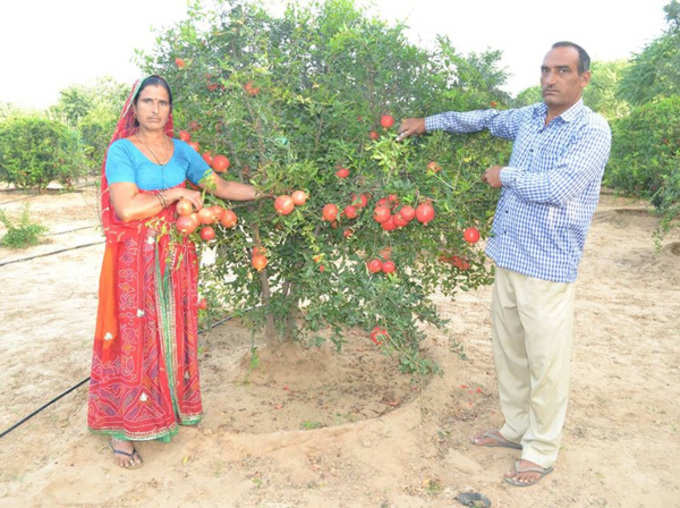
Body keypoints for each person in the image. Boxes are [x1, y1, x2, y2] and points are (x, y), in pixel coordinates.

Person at [399, 42, 611, 486]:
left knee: (546, 360)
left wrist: (505, 175)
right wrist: (427, 123)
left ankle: (542, 448)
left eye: (563, 71)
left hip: (548, 264)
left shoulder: (592, 130)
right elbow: (484, 119)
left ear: (583, 78)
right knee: (510, 351)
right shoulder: (530, 118)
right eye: (545, 70)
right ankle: (516, 428)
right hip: (510, 253)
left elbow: (562, 186)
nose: (550, 79)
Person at [88, 75, 261, 469]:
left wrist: (265, 191)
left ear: (170, 109)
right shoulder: (122, 151)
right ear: (134, 107)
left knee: (171, 329)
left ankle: (166, 411)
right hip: (134, 260)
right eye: (146, 101)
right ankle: (123, 430)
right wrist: (177, 194)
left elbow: (219, 185)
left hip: (176, 255)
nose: (154, 109)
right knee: (134, 337)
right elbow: (126, 209)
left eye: (162, 102)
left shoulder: (182, 151)